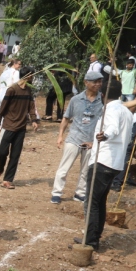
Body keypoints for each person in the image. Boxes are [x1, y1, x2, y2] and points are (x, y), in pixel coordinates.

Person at [76, 79, 133, 250]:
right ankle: (95, 235)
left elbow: (113, 129)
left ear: (103, 95)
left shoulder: (111, 109)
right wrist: (97, 141)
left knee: (92, 202)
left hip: (103, 161)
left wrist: (104, 136)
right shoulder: (126, 111)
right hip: (115, 163)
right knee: (100, 201)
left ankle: (91, 239)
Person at [51, 72, 104, 204]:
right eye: (95, 81)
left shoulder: (103, 100)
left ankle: (80, 193)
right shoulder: (76, 100)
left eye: (100, 81)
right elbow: (66, 118)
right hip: (74, 138)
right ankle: (56, 192)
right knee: (64, 168)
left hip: (91, 141)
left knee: (86, 170)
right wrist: (60, 136)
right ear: (86, 82)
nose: (97, 84)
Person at [0, 66, 40, 189]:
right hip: (8, 125)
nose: (33, 78)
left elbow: (31, 106)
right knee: (2, 152)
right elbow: (2, 108)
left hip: (21, 128)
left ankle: (8, 180)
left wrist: (34, 120)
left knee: (15, 155)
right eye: (32, 75)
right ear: (28, 76)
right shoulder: (12, 90)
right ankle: (1, 168)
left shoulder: (28, 91)